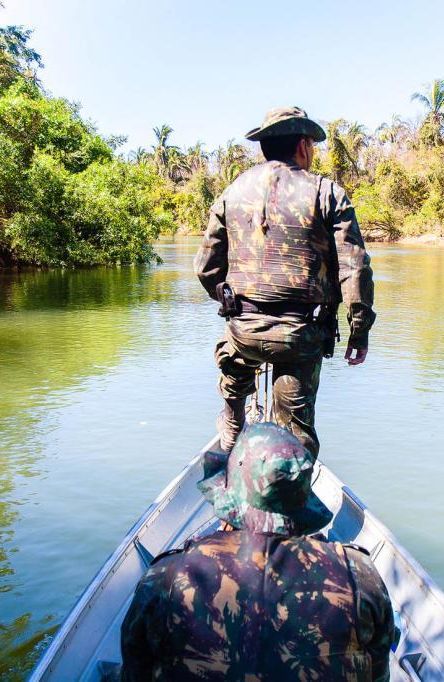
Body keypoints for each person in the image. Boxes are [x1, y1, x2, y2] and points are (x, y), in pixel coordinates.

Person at [120, 422, 396, 681]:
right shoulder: (359, 576)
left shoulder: (165, 577)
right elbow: (378, 673)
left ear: (229, 498)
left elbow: (135, 671)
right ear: (301, 500)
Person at [194, 106, 376, 457]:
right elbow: (355, 268)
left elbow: (205, 267)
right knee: (295, 435)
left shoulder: (233, 191)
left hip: (244, 332)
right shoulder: (327, 193)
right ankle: (287, 495)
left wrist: (234, 306)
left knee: (234, 367)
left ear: (266, 146)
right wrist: (360, 330)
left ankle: (232, 424)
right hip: (299, 336)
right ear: (304, 145)